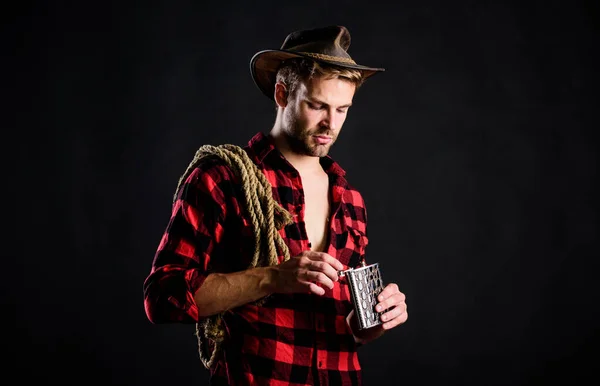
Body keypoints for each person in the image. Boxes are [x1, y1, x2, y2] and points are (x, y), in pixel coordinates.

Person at [143, 25, 408, 385]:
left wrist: (374, 319)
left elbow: (349, 330)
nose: (331, 123)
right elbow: (163, 297)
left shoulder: (350, 199)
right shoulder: (223, 177)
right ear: (282, 94)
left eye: (342, 109)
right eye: (317, 106)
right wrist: (272, 277)